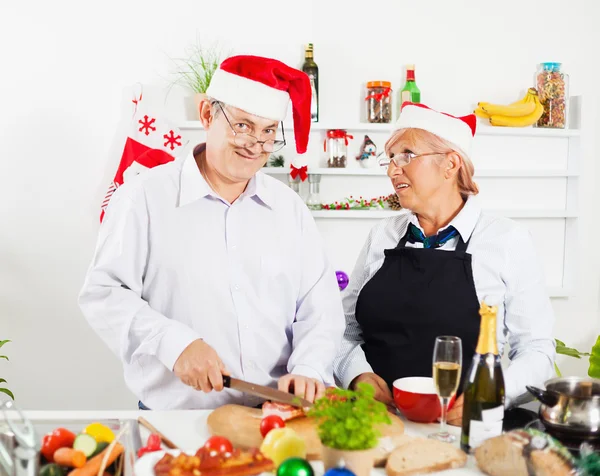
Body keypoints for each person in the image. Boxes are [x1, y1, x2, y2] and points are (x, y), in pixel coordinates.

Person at [79, 55, 345, 410]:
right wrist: (173, 343)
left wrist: (309, 366)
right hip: (177, 418)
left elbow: (320, 307)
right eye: (243, 126)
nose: (255, 144)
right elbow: (104, 294)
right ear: (206, 114)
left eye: (268, 132)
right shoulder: (143, 197)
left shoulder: (289, 208)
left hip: (276, 417)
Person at [333, 102, 556, 425]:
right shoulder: (382, 234)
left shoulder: (507, 240)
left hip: (464, 426)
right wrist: (358, 376)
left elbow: (536, 349)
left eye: (406, 155)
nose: (392, 169)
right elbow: (344, 329)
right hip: (377, 423)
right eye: (390, 158)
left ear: (450, 164)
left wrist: (490, 395)